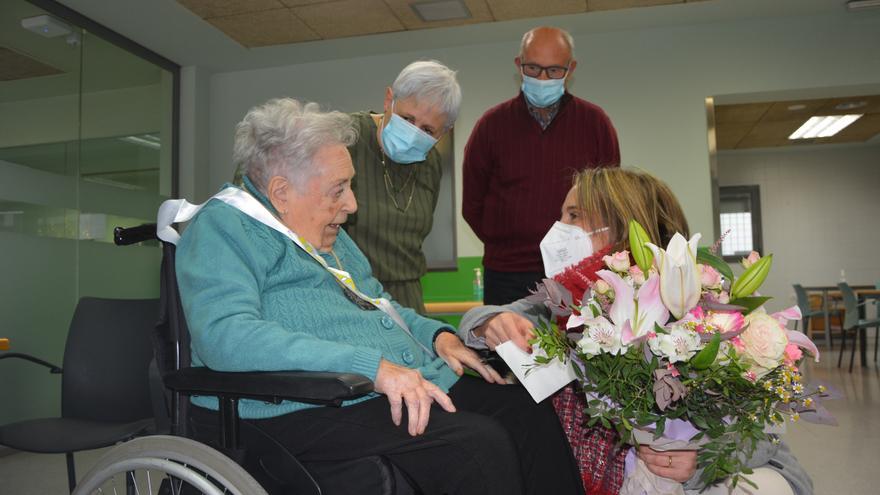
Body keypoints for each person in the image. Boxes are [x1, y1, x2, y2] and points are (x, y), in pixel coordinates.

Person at [174, 98, 585, 495]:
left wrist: (437, 337)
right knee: (474, 446)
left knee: (526, 411)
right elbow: (225, 337)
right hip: (295, 405)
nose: (351, 204)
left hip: (372, 386)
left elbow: (380, 302)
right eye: (338, 190)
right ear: (281, 192)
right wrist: (371, 367)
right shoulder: (224, 227)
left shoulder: (329, 237)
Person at [458, 168, 813, 495]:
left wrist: (701, 459)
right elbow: (489, 318)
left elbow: (765, 438)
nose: (558, 227)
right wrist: (488, 323)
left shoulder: (699, 310)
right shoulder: (559, 304)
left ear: (623, 225)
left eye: (574, 215)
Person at [463, 26, 621, 306]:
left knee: (579, 349)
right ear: (518, 65)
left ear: (571, 69)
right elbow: (472, 206)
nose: (543, 78)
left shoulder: (595, 123)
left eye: (554, 71)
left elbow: (609, 202)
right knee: (504, 347)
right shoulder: (491, 125)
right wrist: (507, 244)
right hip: (506, 274)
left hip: (577, 271)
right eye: (533, 69)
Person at [344, 60, 460, 314]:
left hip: (408, 302)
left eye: (428, 130)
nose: (413, 133)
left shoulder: (430, 163)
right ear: (389, 100)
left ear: (444, 132)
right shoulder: (344, 138)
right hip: (351, 298)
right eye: (407, 118)